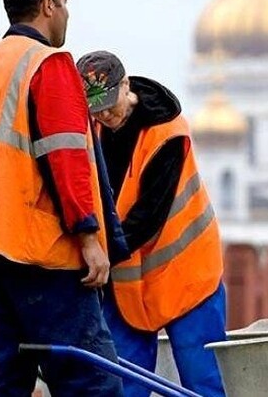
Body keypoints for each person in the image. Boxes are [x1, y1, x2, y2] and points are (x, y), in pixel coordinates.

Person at [0, 0, 122, 396]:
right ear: (48, 5)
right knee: (91, 382)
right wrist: (89, 236)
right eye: (65, 1)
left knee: (8, 381)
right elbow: (65, 159)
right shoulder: (48, 65)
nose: (66, 12)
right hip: (45, 254)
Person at [76, 50, 227, 397]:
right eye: (95, 109)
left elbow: (148, 215)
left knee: (202, 381)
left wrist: (99, 254)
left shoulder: (167, 134)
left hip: (187, 275)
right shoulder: (94, 128)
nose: (105, 115)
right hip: (130, 279)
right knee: (125, 382)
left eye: (110, 105)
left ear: (126, 86)